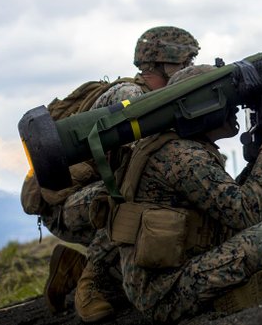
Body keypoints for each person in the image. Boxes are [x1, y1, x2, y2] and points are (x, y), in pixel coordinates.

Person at [107, 64, 262, 323]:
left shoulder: (179, 145)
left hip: (178, 269)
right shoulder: (182, 156)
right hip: (164, 293)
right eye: (227, 102)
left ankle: (235, 294)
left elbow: (228, 200)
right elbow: (244, 212)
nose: (235, 109)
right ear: (201, 109)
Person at [33, 26, 200, 322]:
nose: (191, 70)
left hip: (100, 194)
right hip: (69, 205)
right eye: (185, 64)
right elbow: (142, 172)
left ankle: (73, 267)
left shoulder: (161, 101)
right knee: (142, 192)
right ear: (162, 63)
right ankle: (91, 279)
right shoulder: (131, 96)